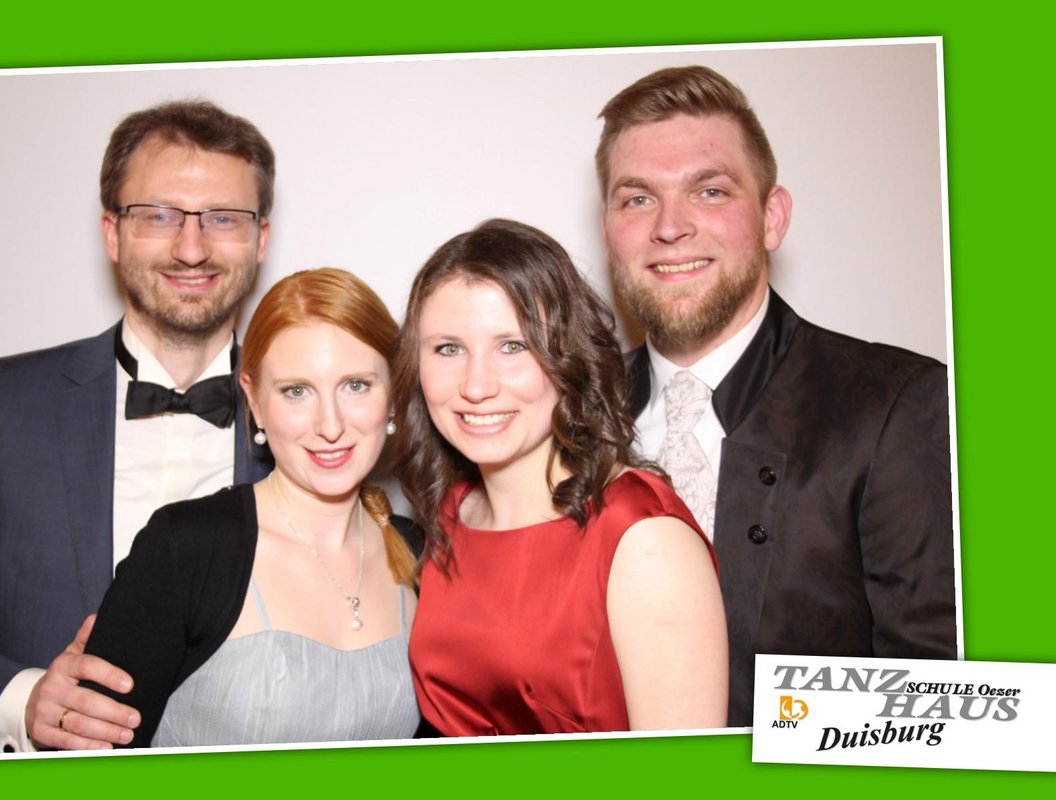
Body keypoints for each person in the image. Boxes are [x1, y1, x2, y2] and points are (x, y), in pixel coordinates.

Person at [596, 65, 957, 726]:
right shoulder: (570, 417)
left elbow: (948, 711)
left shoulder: (898, 404)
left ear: (771, 218)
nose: (670, 226)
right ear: (608, 230)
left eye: (710, 191)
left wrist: (762, 738)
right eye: (638, 198)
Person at [0, 100, 276, 753]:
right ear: (112, 233)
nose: (191, 248)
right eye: (158, 215)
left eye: (223, 218)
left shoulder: (316, 430)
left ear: (261, 238)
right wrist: (19, 701)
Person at [397, 218, 727, 735]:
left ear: (568, 356)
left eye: (513, 346)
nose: (476, 386)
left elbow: (686, 775)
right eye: (448, 349)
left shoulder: (642, 537)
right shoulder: (451, 511)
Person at [82, 268, 420, 747]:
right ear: (255, 401)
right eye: (296, 391)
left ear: (393, 395)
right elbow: (84, 763)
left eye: (356, 385)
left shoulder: (421, 553)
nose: (330, 425)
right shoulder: (186, 548)